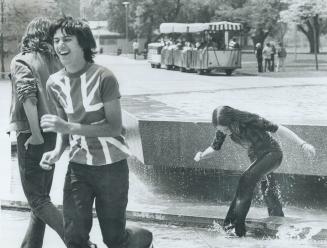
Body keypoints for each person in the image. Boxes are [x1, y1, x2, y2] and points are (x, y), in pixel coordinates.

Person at [39, 16, 153, 248]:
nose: (60, 45)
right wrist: (57, 150)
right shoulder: (53, 83)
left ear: (83, 43)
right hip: (78, 167)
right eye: (56, 39)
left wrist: (67, 128)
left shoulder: (104, 77)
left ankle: (144, 240)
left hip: (111, 167)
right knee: (74, 238)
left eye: (67, 39)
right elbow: (64, 121)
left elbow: (113, 127)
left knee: (114, 239)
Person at [194, 106, 315, 237]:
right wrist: (201, 155)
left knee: (245, 180)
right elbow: (215, 147)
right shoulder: (223, 128)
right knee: (267, 188)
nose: (225, 132)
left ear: (233, 121)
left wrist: (303, 144)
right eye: (221, 130)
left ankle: (234, 229)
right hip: (257, 158)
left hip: (272, 154)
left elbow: (279, 129)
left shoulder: (251, 120)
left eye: (226, 129)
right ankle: (277, 219)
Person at [8, 16, 66, 248]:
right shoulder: (57, 62)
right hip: (54, 133)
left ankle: (81, 242)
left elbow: (28, 99)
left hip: (33, 134)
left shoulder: (22, 61)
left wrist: (35, 133)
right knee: (41, 200)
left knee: (38, 200)